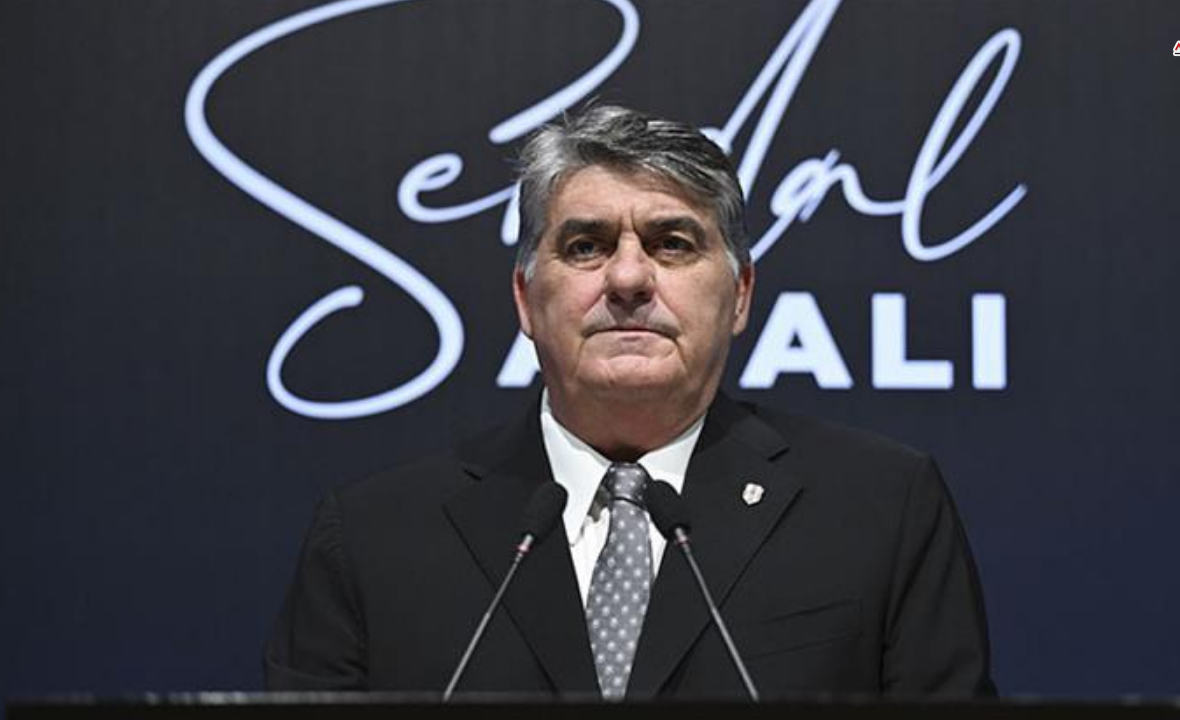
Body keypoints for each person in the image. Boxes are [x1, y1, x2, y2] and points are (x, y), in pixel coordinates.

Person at [264, 105, 995, 699]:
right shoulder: (374, 537)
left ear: (741, 294)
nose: (628, 280)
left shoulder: (881, 508)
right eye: (586, 246)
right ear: (525, 298)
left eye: (672, 244)